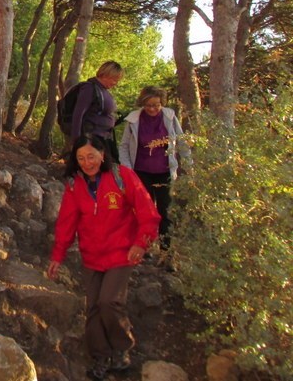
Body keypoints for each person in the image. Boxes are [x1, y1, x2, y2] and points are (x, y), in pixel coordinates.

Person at [48, 135, 160, 380]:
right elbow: (67, 223)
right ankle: (101, 355)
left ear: (102, 154)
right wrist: (58, 256)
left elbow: (148, 214)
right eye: (80, 158)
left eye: (91, 156)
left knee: (109, 301)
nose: (87, 162)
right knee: (94, 307)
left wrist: (142, 243)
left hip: (122, 253)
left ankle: (122, 348)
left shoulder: (122, 177)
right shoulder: (75, 185)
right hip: (92, 255)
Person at [118, 86, 191, 249]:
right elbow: (123, 146)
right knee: (145, 211)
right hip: (141, 171)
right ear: (143, 103)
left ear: (162, 103)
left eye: (156, 105)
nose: (152, 109)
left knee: (165, 211)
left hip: (164, 171)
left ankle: (166, 250)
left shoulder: (169, 117)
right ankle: (145, 246)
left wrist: (188, 163)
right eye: (149, 105)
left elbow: (181, 140)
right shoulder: (134, 120)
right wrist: (127, 169)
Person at [71, 60, 124, 162]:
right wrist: (77, 141)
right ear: (106, 75)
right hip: (91, 138)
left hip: (103, 138)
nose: (115, 83)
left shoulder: (103, 90)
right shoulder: (89, 88)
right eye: (115, 80)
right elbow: (78, 114)